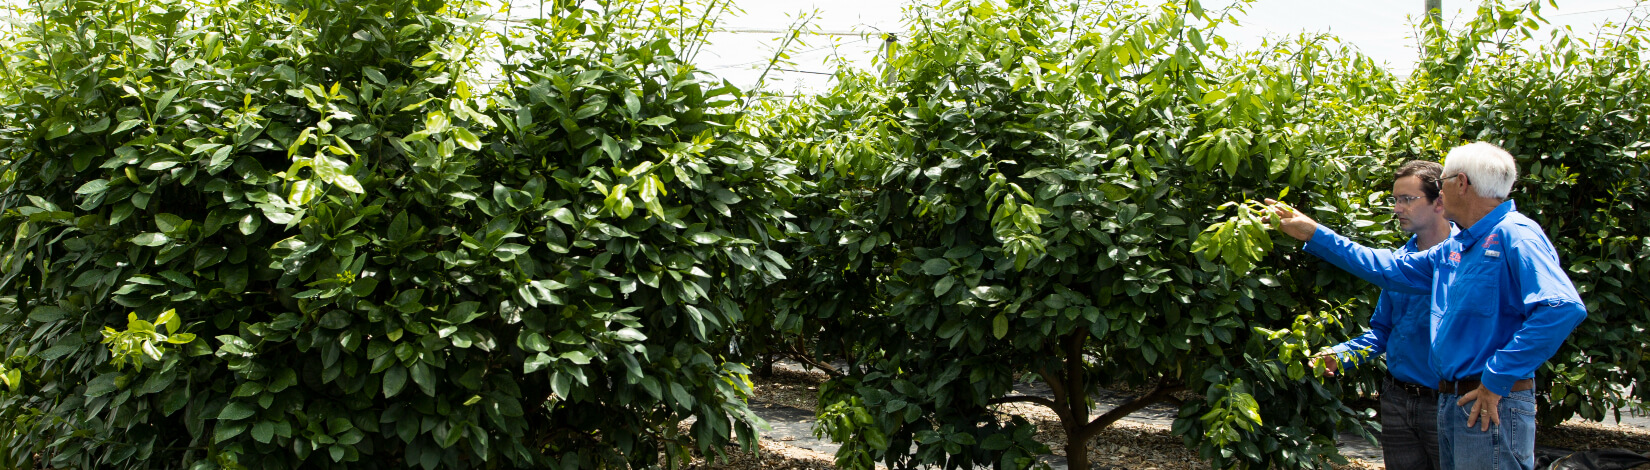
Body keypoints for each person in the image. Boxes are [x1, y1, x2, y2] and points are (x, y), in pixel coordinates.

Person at [1270, 142, 1587, 470]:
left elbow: (1561, 307)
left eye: (1444, 181)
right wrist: (1314, 234)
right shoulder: (1459, 247)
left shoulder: (1514, 235)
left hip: (1486, 401)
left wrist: (1497, 376)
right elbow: (1389, 270)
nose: (1441, 190)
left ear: (1461, 184)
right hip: (1455, 401)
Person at [1312, 160, 1453, 470]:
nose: (1397, 208)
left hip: (1449, 402)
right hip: (1399, 399)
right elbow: (1383, 331)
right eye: (1395, 199)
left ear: (1439, 201)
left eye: (1407, 199)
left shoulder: (1466, 255)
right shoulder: (1401, 260)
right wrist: (1341, 354)